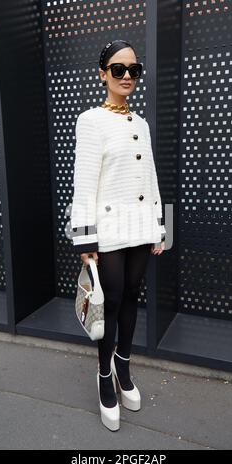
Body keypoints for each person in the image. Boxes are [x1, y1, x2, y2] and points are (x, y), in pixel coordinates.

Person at [66, 39, 166, 431]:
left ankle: (123, 367)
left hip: (140, 227)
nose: (127, 76)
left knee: (131, 298)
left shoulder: (140, 123)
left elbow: (152, 179)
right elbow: (84, 184)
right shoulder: (90, 121)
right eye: (118, 69)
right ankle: (104, 377)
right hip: (107, 231)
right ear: (103, 73)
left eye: (133, 69)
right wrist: (85, 240)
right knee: (109, 302)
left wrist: (160, 228)